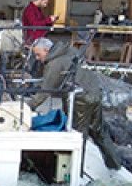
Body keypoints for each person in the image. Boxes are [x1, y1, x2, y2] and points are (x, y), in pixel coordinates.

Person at [28, 37, 121, 170]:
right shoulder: (68, 50)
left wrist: (27, 106)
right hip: (94, 89)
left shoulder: (55, 63)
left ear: (47, 50)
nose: (37, 58)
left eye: (38, 54)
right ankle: (115, 165)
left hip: (80, 97)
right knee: (99, 131)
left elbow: (45, 91)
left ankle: (76, 171)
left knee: (77, 135)